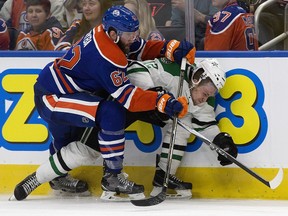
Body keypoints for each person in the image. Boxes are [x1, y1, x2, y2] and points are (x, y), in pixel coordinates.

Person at [12, 5, 196, 201]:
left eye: (134, 32)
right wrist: (161, 101)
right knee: (110, 113)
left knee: (69, 140)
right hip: (52, 97)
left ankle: (60, 177)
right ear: (114, 33)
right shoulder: (107, 55)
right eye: (129, 34)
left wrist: (168, 48)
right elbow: (129, 99)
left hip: (68, 90)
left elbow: (139, 48)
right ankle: (112, 177)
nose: (133, 37)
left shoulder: (110, 34)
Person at [126, 57, 238, 198]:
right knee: (108, 127)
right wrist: (153, 95)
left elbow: (205, 125)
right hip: (130, 98)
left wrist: (221, 142)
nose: (205, 99)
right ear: (197, 79)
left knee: (183, 124)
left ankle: (163, 176)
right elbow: (135, 68)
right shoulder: (174, 72)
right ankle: (110, 176)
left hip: (154, 111)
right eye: (204, 94)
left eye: (209, 95)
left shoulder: (205, 100)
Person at [0, 0, 67, 49]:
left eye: (38, 11)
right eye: (30, 11)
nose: (34, 15)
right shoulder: (22, 34)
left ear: (48, 15)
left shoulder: (53, 33)